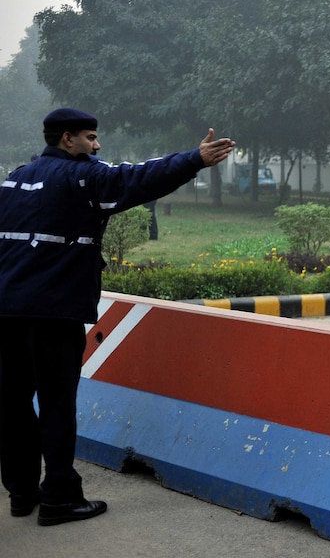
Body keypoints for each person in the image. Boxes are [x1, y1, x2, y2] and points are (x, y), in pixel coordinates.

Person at [0, 108, 235, 526]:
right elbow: (138, 178)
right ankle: (59, 497)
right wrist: (195, 159)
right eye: (91, 138)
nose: (97, 145)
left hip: (7, 313)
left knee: (12, 403)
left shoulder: (13, 179)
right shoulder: (81, 179)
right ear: (67, 139)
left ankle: (21, 492)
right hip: (55, 314)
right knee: (56, 406)